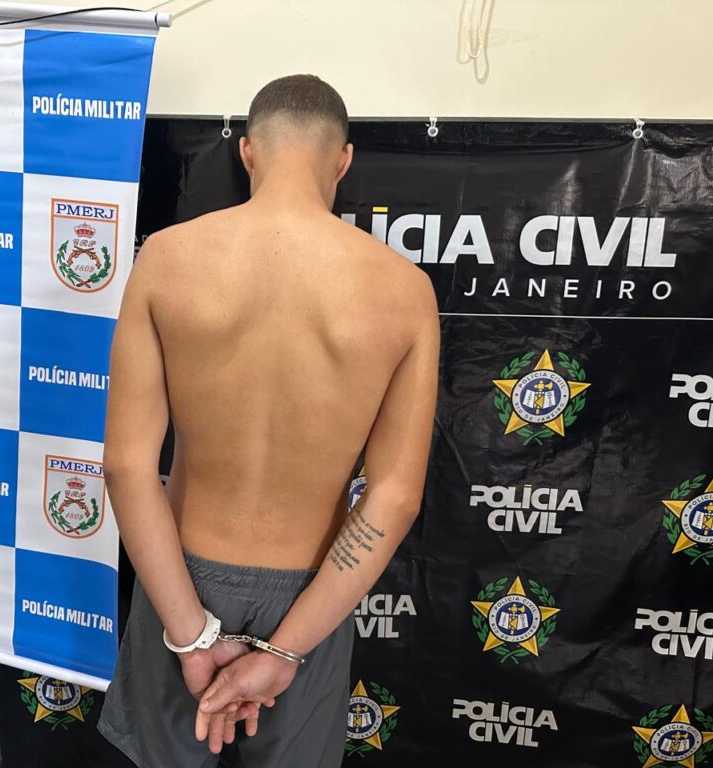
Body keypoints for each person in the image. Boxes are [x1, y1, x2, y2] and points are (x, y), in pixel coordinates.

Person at [97, 74, 439, 768]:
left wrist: (191, 638)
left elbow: (127, 467)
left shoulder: (165, 259)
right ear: (342, 161)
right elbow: (395, 498)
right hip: (315, 590)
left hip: (179, 575)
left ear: (248, 152)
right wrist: (286, 651)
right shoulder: (405, 292)